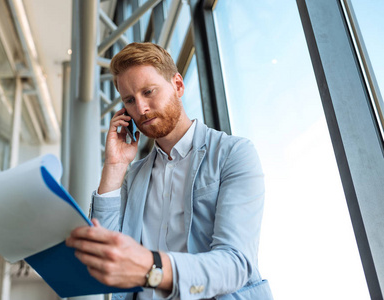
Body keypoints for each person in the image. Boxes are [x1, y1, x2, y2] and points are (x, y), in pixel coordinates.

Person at [66, 42, 273, 299]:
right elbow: (104, 253)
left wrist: (152, 269)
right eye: (130, 100)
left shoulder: (233, 154)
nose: (141, 109)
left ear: (177, 85)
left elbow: (235, 264)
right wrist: (115, 166)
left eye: (148, 91)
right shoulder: (133, 177)